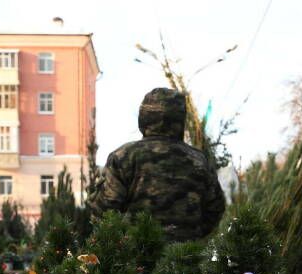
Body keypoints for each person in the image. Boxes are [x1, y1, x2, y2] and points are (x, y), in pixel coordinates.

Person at [91, 87, 225, 241]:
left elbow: (103, 211)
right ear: (180, 119)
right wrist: (191, 237)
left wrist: (123, 243)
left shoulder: (123, 157)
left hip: (135, 259)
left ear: (144, 117)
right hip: (186, 259)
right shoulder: (199, 161)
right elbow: (215, 209)